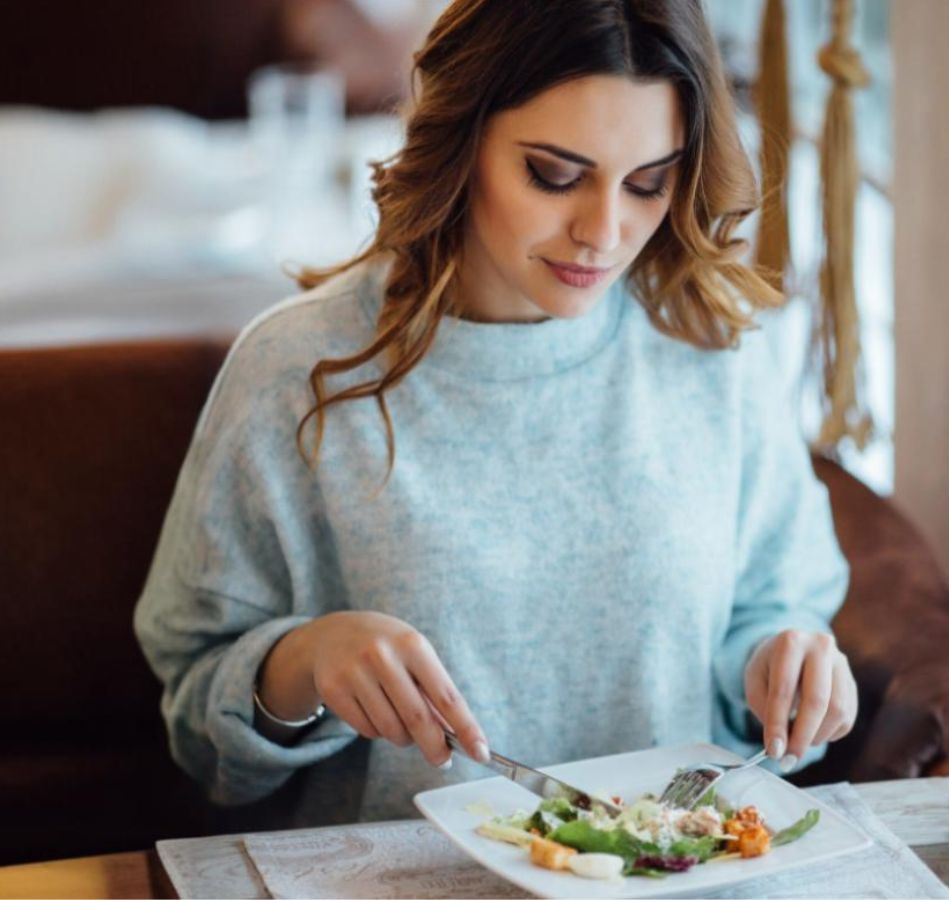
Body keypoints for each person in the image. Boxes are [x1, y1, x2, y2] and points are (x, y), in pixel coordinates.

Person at [133, 0, 857, 827]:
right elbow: (197, 727)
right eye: (554, 175)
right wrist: (303, 661)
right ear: (462, 137)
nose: (605, 232)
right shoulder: (297, 372)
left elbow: (776, 603)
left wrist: (782, 660)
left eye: (649, 183)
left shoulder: (716, 353)